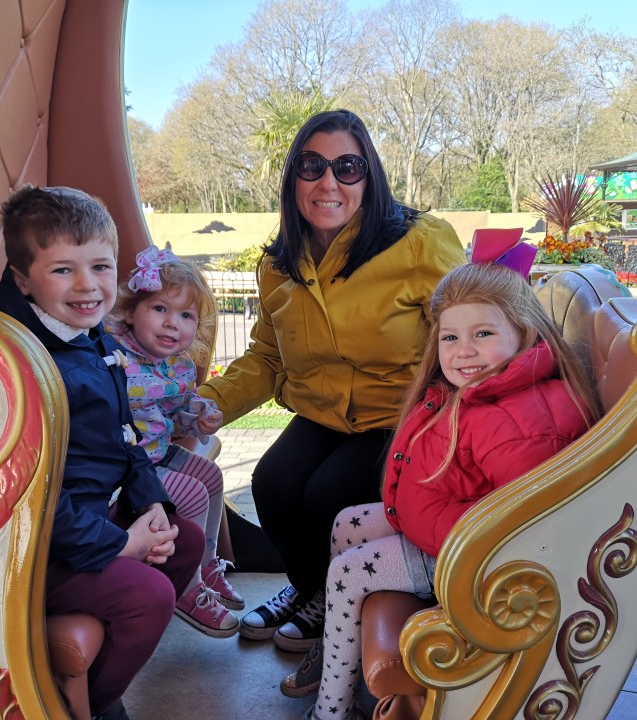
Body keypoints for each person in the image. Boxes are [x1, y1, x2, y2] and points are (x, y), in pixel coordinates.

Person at [281, 244, 601, 720]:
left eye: (483, 333)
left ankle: (331, 708)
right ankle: (336, 651)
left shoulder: (515, 419)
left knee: (349, 572)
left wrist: (447, 548)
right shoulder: (483, 392)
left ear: (525, 331)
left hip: (475, 563)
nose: (463, 351)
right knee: (347, 523)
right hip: (448, 532)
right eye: (449, 337)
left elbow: (524, 530)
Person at [197, 109, 464, 652]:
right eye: (312, 165)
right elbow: (267, 359)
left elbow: (472, 324)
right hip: (324, 414)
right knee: (272, 485)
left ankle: (327, 600)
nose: (328, 182)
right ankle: (310, 589)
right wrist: (204, 405)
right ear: (293, 175)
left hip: (402, 415)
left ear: (370, 178)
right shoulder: (278, 266)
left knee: (327, 496)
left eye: (347, 167)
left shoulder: (420, 243)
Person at [0, 186, 204, 720]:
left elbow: (125, 437)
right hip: (28, 548)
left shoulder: (88, 332)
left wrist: (152, 508)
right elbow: (23, 493)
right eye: (62, 271)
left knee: (183, 538)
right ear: (23, 278)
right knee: (150, 596)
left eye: (100, 266)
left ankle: (103, 682)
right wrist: (120, 544)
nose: (87, 286)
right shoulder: (15, 359)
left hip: (83, 513)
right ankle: (84, 707)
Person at [108, 246, 243, 638]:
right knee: (194, 493)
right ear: (131, 312)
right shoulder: (116, 356)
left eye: (186, 316)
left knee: (211, 477)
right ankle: (187, 585)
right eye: (160, 309)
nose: (172, 325)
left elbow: (174, 412)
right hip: (125, 469)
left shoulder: (179, 367)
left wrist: (197, 417)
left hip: (157, 452)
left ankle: (207, 564)